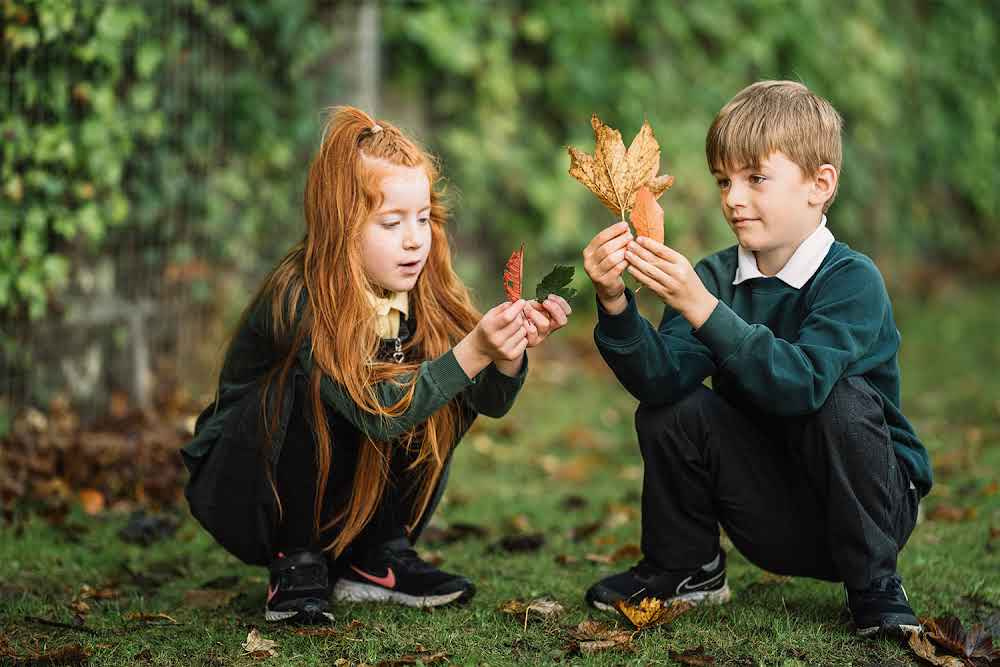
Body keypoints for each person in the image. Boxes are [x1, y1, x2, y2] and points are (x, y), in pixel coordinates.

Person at [181, 107, 572, 623]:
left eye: (423, 218)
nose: (414, 239)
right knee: (310, 385)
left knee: (440, 377)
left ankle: (376, 556)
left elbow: (486, 402)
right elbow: (374, 411)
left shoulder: (426, 284)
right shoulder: (301, 297)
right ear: (342, 225)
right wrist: (470, 352)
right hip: (251, 485)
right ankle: (296, 561)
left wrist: (505, 354)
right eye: (391, 222)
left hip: (351, 490)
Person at [580, 81, 930, 637]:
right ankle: (687, 566)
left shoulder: (851, 279)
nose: (733, 198)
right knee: (670, 410)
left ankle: (876, 584)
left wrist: (702, 307)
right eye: (724, 180)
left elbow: (802, 384)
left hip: (871, 511)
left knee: (838, 395)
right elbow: (660, 380)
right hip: (771, 512)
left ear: (820, 184)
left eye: (755, 178)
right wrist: (615, 302)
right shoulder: (717, 276)